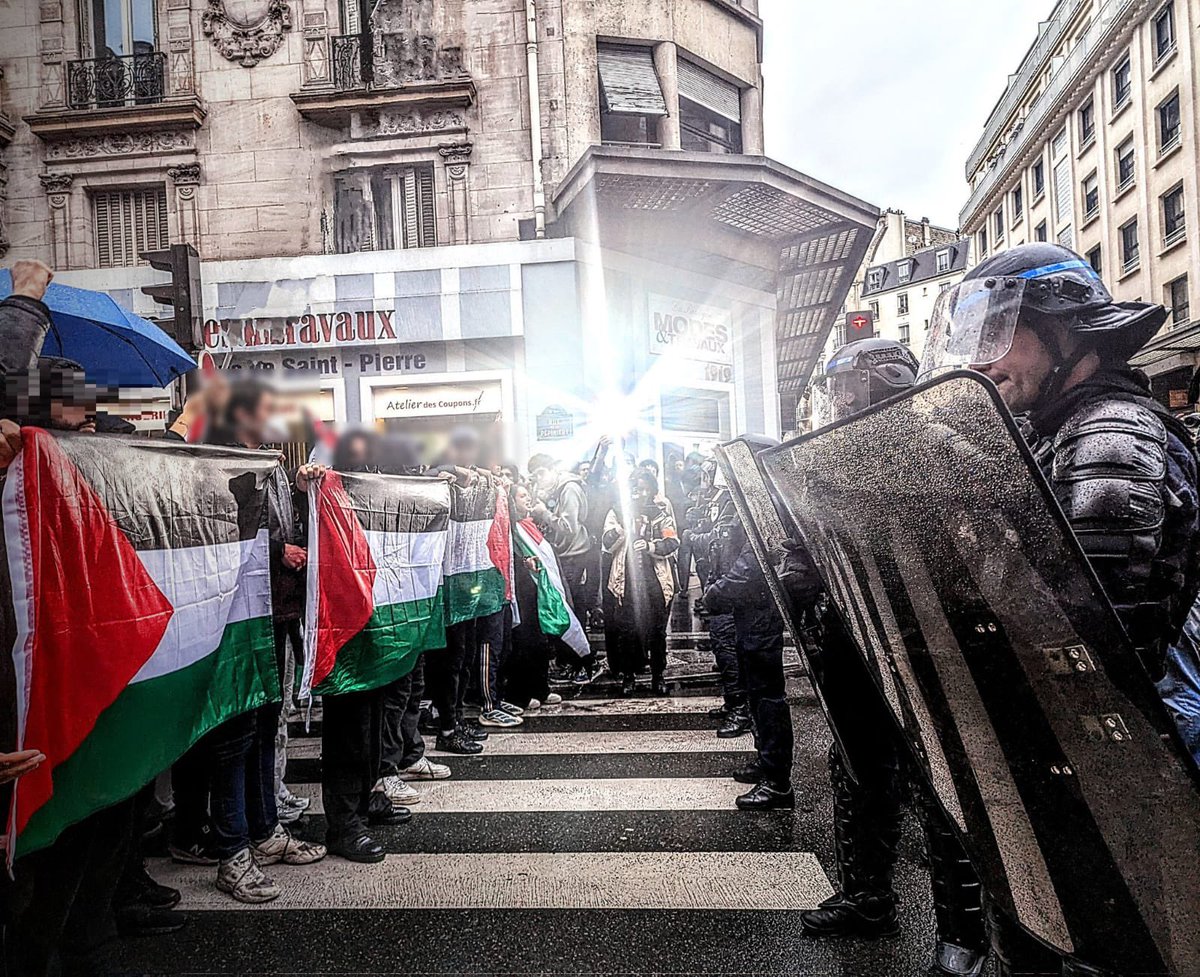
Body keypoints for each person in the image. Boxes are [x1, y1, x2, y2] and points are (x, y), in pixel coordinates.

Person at [919, 242, 1200, 977]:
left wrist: (967, 492)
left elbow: (1087, 633)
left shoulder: (1112, 434)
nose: (980, 361)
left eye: (996, 334)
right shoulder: (1062, 430)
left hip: (1116, 780)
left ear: (1064, 330)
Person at [790, 338, 990, 977]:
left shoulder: (938, 444)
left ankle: (961, 935)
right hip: (857, 638)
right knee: (855, 767)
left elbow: (971, 546)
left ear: (885, 384)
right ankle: (868, 896)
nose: (840, 400)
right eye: (836, 388)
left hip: (925, 641)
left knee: (940, 790)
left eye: (850, 386)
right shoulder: (839, 453)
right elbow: (817, 538)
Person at [169, 379, 326, 898]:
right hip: (234, 618)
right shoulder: (214, 464)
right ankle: (231, 849)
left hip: (272, 612)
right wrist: (280, 550)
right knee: (234, 735)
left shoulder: (273, 467)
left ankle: (263, 834)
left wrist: (301, 503)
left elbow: (280, 526)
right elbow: (218, 533)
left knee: (262, 724)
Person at [684, 469, 750, 736]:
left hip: (731, 590)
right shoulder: (723, 502)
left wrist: (693, 537)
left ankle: (741, 710)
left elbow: (718, 540)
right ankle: (733, 701)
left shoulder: (738, 505)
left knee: (729, 650)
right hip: (719, 584)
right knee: (723, 649)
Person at [602, 470, 679, 696]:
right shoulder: (616, 512)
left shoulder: (661, 513)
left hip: (655, 580)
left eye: (646, 489)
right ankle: (628, 676)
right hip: (625, 580)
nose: (641, 494)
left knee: (657, 631)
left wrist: (651, 545)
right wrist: (625, 527)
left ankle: (658, 675)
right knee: (627, 630)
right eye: (636, 489)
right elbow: (607, 542)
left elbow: (672, 541)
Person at [528, 452, 596, 682]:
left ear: (553, 469)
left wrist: (544, 514)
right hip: (562, 553)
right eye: (535, 476)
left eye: (541, 473)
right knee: (563, 606)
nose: (539, 480)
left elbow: (569, 527)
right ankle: (570, 661)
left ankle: (584, 663)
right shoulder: (555, 490)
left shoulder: (569, 489)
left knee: (571, 609)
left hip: (575, 555)